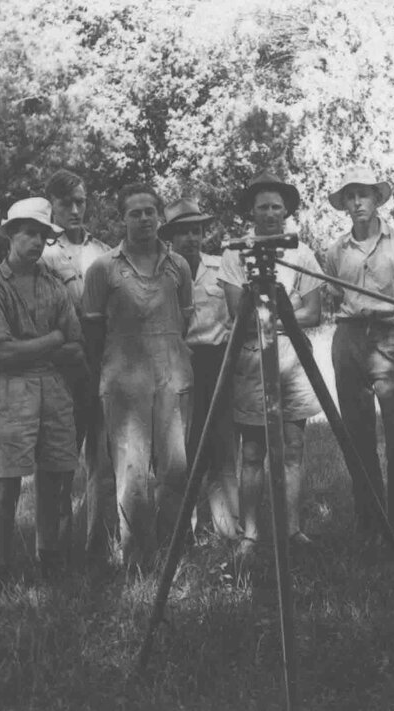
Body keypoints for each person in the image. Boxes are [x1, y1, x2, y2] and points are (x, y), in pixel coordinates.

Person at [81, 184, 194, 570]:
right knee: (132, 473)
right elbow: (92, 333)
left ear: (161, 217)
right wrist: (114, 373)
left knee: (175, 469)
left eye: (150, 211)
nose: (144, 218)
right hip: (124, 381)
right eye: (135, 213)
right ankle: (139, 562)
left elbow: (185, 318)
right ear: (122, 219)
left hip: (173, 377)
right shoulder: (103, 269)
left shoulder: (178, 266)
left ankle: (174, 554)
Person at [0, 197, 85, 588]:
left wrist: (46, 345)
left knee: (55, 475)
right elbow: (1, 353)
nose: (37, 242)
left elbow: (76, 345)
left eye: (42, 235)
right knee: (6, 481)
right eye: (29, 233)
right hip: (11, 392)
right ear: (10, 234)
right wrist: (53, 339)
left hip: (53, 387)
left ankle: (49, 558)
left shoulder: (54, 286)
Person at [217, 171, 323, 562]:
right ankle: (250, 534)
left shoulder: (302, 253)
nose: (271, 213)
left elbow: (313, 312)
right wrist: (288, 306)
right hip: (250, 358)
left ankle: (291, 528)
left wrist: (273, 312)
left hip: (293, 358)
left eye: (277, 207)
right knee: (252, 451)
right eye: (263, 206)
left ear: (287, 211)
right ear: (252, 211)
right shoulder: (235, 254)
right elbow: (236, 313)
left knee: (293, 448)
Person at [322, 165, 394, 552]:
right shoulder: (335, 251)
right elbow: (336, 298)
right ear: (344, 204)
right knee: (357, 438)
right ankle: (369, 524)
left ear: (377, 198)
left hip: (391, 341)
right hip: (348, 341)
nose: (357, 202)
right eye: (350, 196)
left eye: (364, 194)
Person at [39, 169, 112, 564]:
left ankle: (98, 545)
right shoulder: (43, 252)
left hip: (102, 364)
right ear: (51, 204)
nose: (75, 209)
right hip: (63, 368)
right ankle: (56, 551)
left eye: (81, 200)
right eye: (66, 202)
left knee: (102, 459)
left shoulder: (103, 251)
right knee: (60, 460)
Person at [159, 197, 240, 540]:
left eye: (197, 231)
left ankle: (227, 529)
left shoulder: (221, 267)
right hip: (179, 364)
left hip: (217, 362)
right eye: (183, 232)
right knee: (184, 449)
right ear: (170, 238)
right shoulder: (163, 271)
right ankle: (183, 533)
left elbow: (236, 317)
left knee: (224, 447)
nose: (191, 238)